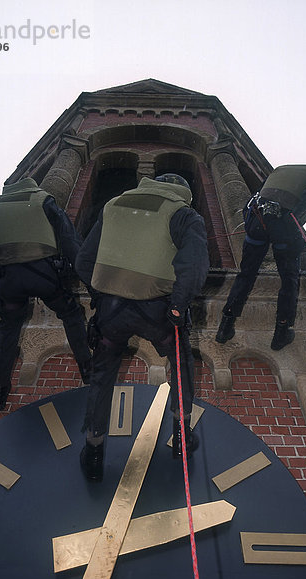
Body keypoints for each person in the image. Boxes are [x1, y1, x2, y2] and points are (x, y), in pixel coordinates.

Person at [75, 173, 209, 481]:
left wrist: (103, 294)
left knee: (102, 375)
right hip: (158, 312)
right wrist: (178, 305)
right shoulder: (184, 213)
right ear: (183, 192)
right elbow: (194, 264)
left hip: (111, 314)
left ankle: (93, 449)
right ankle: (181, 435)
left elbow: (84, 261)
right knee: (181, 361)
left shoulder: (113, 205)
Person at [0, 178, 92, 410]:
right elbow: (68, 238)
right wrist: (87, 277)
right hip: (44, 275)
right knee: (71, 314)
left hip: (8, 279)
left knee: (8, 329)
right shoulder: (43, 200)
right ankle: (87, 368)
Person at [216, 164, 306, 350]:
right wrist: (294, 220)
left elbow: (253, 198)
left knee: (246, 274)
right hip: (283, 225)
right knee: (289, 278)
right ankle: (282, 330)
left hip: (256, 220)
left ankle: (226, 324)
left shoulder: (281, 170)